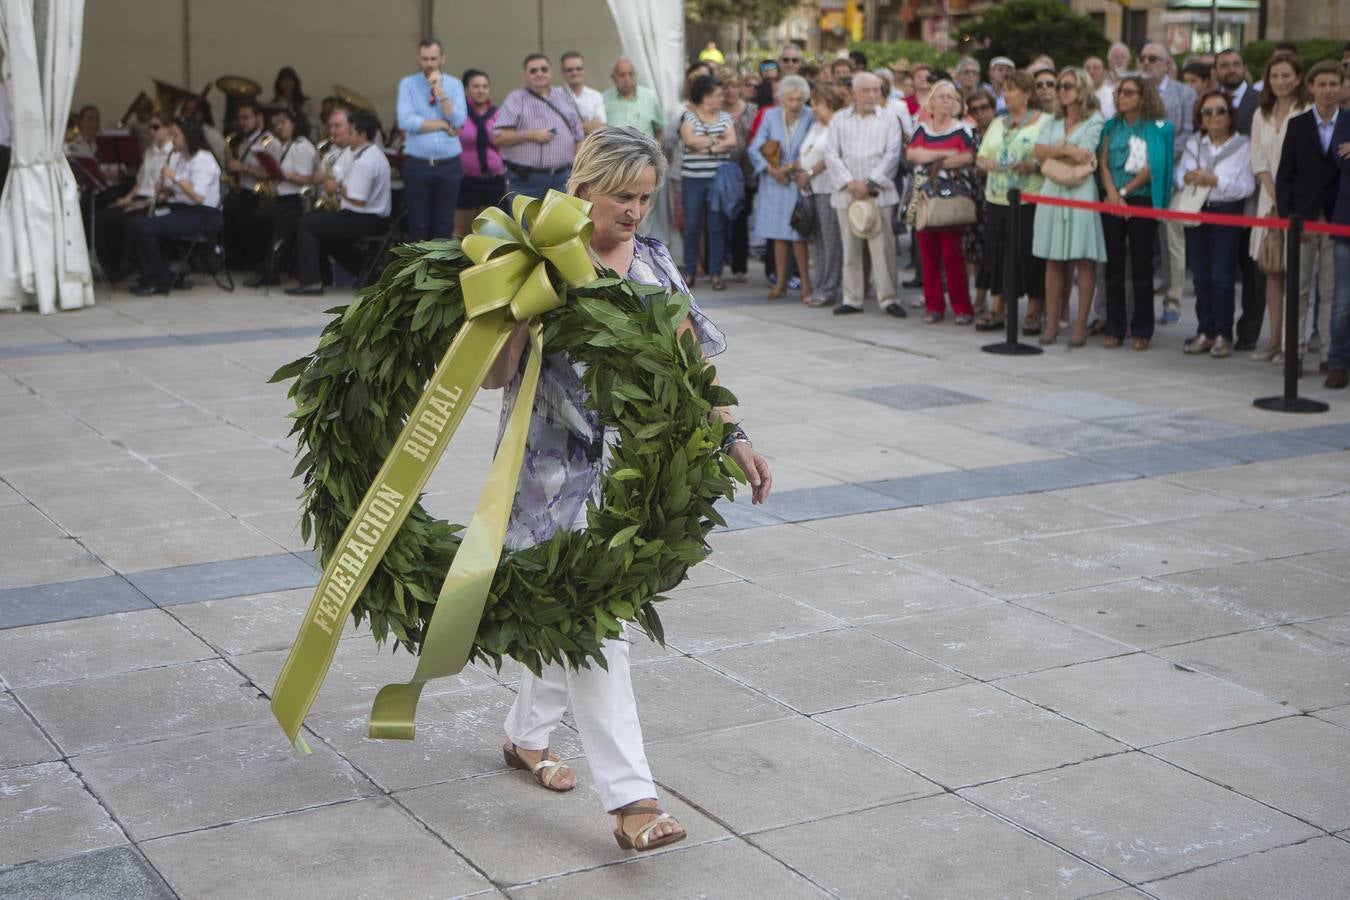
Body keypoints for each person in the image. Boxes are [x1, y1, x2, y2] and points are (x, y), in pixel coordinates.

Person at [481, 126, 770, 852]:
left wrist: (733, 436)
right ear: (582, 188)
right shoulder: (533, 257)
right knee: (595, 623)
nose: (636, 210)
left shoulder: (650, 262)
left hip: (626, 477)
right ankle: (633, 799)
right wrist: (520, 306)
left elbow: (692, 361)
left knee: (575, 617)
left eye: (646, 197)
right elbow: (490, 374)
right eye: (623, 197)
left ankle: (523, 737)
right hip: (546, 477)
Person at [1275, 60, 1343, 375]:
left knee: (1331, 290)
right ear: (1311, 87)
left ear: (1342, 87)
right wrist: (1290, 216)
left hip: (1338, 218)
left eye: (1334, 84)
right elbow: (1285, 175)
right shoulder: (1298, 124)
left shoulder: (1349, 123)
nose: (1328, 91)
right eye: (1323, 84)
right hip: (1302, 217)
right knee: (1298, 288)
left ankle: (1331, 354)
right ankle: (1295, 351)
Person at [1175, 89, 1254, 358]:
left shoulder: (1243, 145)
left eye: (1219, 111)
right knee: (1200, 277)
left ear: (1229, 115)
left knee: (1222, 276)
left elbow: (1246, 186)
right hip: (1197, 210)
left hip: (1226, 212)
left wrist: (1215, 181)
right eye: (1207, 112)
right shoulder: (1195, 144)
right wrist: (1186, 178)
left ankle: (1223, 333)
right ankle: (1205, 331)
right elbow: (1179, 175)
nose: (1213, 117)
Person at [1032, 67, 1107, 346]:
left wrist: (1057, 152)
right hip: (1053, 189)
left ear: (1083, 89)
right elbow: (1038, 151)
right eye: (1060, 86)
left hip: (1080, 189)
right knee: (1052, 258)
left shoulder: (1095, 119)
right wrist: (1065, 150)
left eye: (1067, 86)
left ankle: (1079, 325)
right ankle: (1051, 323)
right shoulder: (1053, 120)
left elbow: (1084, 155)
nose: (1061, 90)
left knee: (1084, 259)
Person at [1099, 75, 1174, 350]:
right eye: (1119, 92)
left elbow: (1154, 166)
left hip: (1140, 200)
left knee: (1141, 267)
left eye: (1128, 92)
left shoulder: (1159, 127)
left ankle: (1142, 328)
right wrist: (1111, 195)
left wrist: (1123, 194)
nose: (1121, 97)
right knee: (1113, 267)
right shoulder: (1111, 126)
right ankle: (1114, 326)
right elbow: (1103, 162)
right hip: (1111, 201)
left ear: (1143, 96)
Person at [286, 110, 391, 295]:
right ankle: (368, 274)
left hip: (364, 218)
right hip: (370, 218)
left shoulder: (365, 161)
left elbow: (358, 200)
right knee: (320, 229)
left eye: (350, 132)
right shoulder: (370, 154)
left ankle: (311, 282)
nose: (347, 137)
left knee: (306, 223)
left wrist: (336, 187)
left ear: (362, 135)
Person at [1249, 54, 1311, 362]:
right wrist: (1274, 195)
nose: (1281, 81)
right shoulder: (1262, 112)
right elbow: (1257, 157)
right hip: (1269, 200)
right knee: (1272, 271)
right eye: (1275, 76)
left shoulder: (1308, 110)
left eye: (1287, 75)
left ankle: (1292, 344)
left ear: (1298, 78)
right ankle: (1273, 340)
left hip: (1299, 203)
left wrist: (1286, 199)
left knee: (1295, 275)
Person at [825, 72, 903, 317]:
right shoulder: (839, 119)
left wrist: (869, 183)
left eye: (876, 90)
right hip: (846, 195)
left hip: (878, 194)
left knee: (884, 250)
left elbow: (892, 155)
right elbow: (831, 154)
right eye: (867, 90)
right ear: (854, 93)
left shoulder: (890, 119)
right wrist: (851, 183)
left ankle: (888, 298)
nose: (872, 95)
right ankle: (852, 297)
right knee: (850, 249)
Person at [977, 72, 1046, 337]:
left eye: (1012, 90)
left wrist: (1031, 166)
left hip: (1029, 198)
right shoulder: (998, 122)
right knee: (998, 252)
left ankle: (1033, 310)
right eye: (1004, 90)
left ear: (1027, 94)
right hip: (997, 197)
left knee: (1028, 253)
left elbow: (1050, 158)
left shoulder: (1044, 123)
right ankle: (998, 307)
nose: (1005, 94)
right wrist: (986, 164)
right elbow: (982, 156)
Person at [906, 80, 978, 324]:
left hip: (951, 197)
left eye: (950, 97)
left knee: (952, 255)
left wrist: (930, 159)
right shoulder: (922, 129)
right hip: (924, 198)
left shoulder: (962, 129)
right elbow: (912, 154)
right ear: (932, 102)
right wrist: (945, 154)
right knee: (927, 254)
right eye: (941, 96)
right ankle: (934, 305)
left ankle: (962, 307)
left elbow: (967, 157)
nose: (946, 100)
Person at [126, 117, 222, 295]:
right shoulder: (180, 158)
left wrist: (174, 177)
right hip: (181, 208)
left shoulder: (203, 159)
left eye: (175, 135)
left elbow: (198, 196)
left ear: (188, 137)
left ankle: (157, 279)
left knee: (143, 227)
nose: (172, 139)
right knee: (134, 222)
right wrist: (165, 191)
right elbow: (180, 191)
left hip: (203, 215)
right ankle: (160, 274)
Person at [1140, 42, 1196, 325]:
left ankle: (1172, 300)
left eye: (1154, 58)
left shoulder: (1185, 94)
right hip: (1137, 174)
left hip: (1171, 174)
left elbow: (1188, 132)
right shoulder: (1135, 90)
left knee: (1171, 236)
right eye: (1144, 58)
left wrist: (1159, 156)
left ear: (1168, 63)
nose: (1148, 63)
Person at [749, 75, 813, 302]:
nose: (796, 104)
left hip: (797, 181)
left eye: (800, 99)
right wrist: (769, 169)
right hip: (774, 182)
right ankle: (780, 283)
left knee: (798, 236)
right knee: (777, 235)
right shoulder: (770, 115)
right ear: (782, 99)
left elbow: (814, 148)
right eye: (791, 99)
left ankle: (806, 284)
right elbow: (754, 148)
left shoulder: (811, 116)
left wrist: (795, 167)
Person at [396, 38, 467, 242]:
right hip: (418, 164)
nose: (429, 63)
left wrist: (441, 91)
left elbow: (460, 120)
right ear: (419, 59)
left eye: (433, 58)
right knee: (418, 225)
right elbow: (406, 121)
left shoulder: (454, 85)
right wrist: (443, 125)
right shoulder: (408, 84)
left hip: (449, 164)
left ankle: (438, 274)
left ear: (442, 58)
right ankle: (417, 272)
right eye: (425, 58)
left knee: (444, 225)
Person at [243, 107, 317, 287]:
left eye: (283, 123)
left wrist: (283, 174)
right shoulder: (288, 144)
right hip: (282, 196)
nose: (279, 127)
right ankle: (269, 265)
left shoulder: (302, 146)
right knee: (258, 219)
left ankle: (272, 270)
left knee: (280, 232)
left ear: (295, 124)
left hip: (294, 199)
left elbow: (306, 178)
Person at [494, 54, 585, 199]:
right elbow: (498, 138)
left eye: (544, 69)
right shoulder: (516, 99)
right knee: (526, 222)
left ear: (551, 72)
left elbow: (579, 135)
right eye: (533, 71)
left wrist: (579, 168)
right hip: (526, 181)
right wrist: (529, 135)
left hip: (563, 178)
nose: (539, 73)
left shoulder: (564, 95)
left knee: (560, 222)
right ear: (525, 75)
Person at [94, 113, 173, 279]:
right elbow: (139, 182)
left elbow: (167, 190)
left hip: (154, 202)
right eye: (150, 127)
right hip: (140, 197)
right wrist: (127, 199)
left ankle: (127, 265)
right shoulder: (150, 151)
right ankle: (110, 266)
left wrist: (139, 204)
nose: (152, 131)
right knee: (102, 218)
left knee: (126, 222)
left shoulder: (173, 153)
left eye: (156, 127)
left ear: (168, 128)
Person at [677, 75, 737, 290]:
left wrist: (707, 147)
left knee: (716, 226)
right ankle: (690, 271)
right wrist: (716, 141)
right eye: (718, 95)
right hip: (693, 179)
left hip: (717, 179)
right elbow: (689, 141)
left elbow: (732, 141)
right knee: (692, 225)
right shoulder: (689, 117)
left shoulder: (725, 117)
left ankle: (716, 273)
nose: (722, 98)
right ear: (705, 97)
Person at [798, 84, 847, 308]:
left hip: (828, 189)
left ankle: (830, 288)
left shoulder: (838, 124)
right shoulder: (816, 126)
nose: (813, 108)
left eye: (817, 104)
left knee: (830, 241)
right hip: (811, 190)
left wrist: (809, 173)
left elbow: (830, 156)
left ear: (829, 103)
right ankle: (819, 285)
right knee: (816, 241)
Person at [454, 69, 507, 238]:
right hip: (467, 180)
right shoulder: (458, 114)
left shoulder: (499, 114)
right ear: (467, 89)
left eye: (485, 86)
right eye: (476, 86)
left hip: (494, 179)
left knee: (492, 231)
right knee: (462, 230)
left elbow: (507, 143)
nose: (481, 90)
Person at [222, 100, 272, 268]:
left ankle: (250, 260)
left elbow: (271, 173)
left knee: (241, 215)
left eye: (246, 118)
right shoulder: (244, 142)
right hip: (244, 190)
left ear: (259, 118)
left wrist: (243, 166)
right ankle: (234, 259)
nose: (242, 122)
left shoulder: (268, 142)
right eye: (240, 118)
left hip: (261, 194)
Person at [721, 70, 758, 283]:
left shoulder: (752, 110)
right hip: (723, 170)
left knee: (742, 217)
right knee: (722, 218)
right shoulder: (715, 111)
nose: (730, 91)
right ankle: (718, 261)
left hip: (747, 171)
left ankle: (739, 265)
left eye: (734, 86)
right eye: (725, 86)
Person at [1328, 104, 1350, 388]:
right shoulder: (1345, 119)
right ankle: (1338, 362)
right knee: (1343, 301)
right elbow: (1343, 161)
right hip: (1346, 222)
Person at [604, 58, 664, 141]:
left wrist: (656, 152)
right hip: (615, 152)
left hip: (645, 152)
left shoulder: (650, 97)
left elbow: (659, 131)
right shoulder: (604, 99)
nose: (627, 79)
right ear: (613, 78)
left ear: (636, 75)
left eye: (631, 74)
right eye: (622, 75)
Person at [561, 52, 606, 135]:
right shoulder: (555, 95)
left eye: (579, 69)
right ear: (562, 73)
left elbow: (601, 127)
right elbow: (557, 128)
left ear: (584, 70)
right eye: (569, 70)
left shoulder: (595, 95)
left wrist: (569, 125)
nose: (575, 72)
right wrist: (589, 125)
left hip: (588, 146)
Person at [270, 67, 315, 139]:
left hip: (302, 137)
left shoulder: (305, 102)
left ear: (295, 82)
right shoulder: (273, 105)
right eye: (284, 81)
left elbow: (311, 123)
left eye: (290, 80)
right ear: (279, 83)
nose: (287, 84)